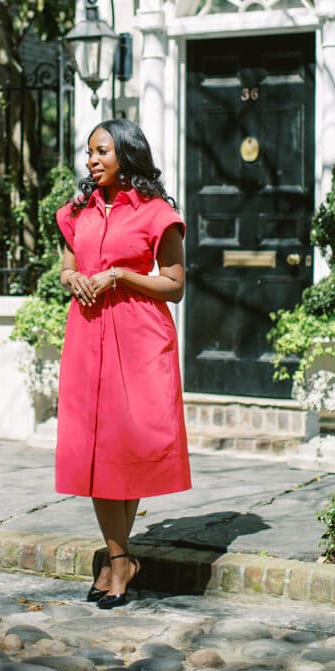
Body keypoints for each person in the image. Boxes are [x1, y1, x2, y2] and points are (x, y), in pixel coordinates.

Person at [55, 118, 191, 609]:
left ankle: (117, 562)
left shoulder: (157, 214)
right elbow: (68, 266)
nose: (92, 160)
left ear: (127, 155)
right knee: (97, 449)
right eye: (89, 152)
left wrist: (118, 276)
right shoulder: (76, 211)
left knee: (127, 446)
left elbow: (174, 286)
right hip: (88, 333)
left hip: (139, 337)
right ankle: (121, 561)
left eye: (102, 151)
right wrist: (77, 280)